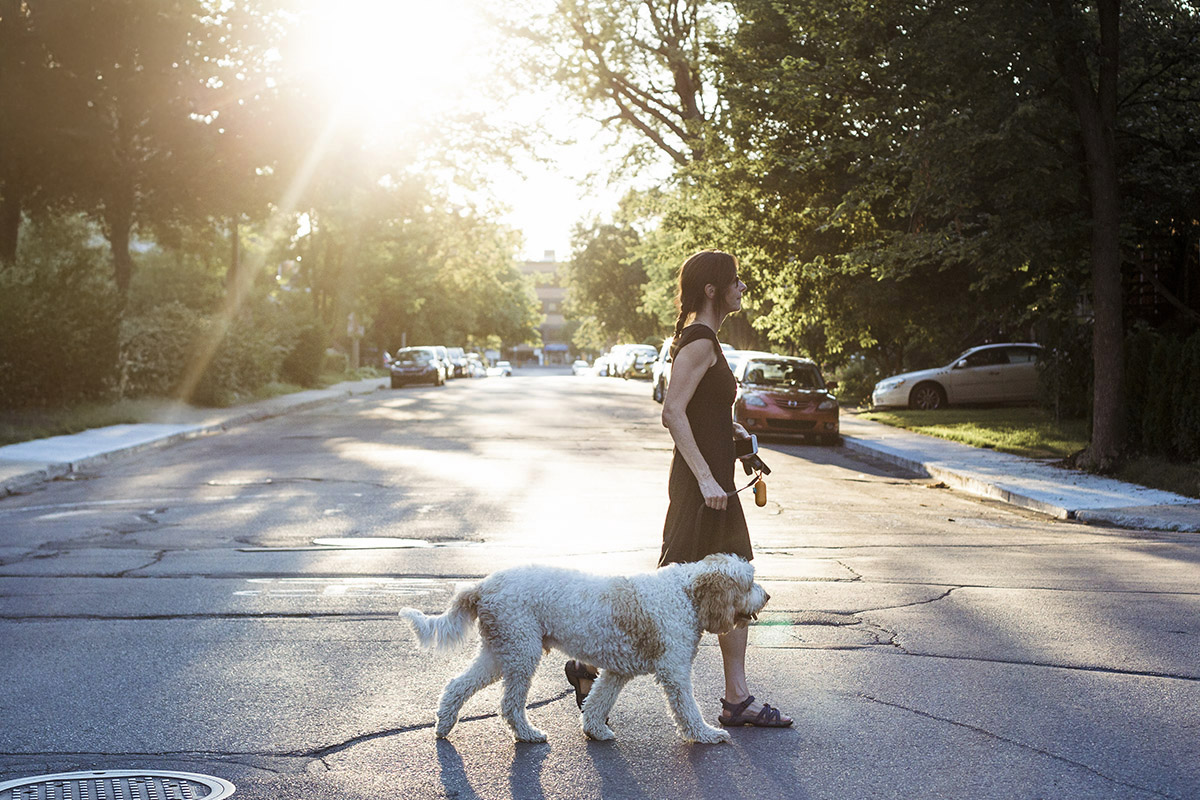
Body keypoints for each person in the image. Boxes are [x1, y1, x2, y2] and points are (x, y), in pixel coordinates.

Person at [567, 249, 791, 728]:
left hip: (714, 482)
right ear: (712, 289)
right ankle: (591, 663)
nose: (742, 287)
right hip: (701, 488)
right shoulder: (699, 341)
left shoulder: (705, 340)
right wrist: (708, 477)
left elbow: (700, 411)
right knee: (679, 586)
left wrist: (736, 437)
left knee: (730, 578)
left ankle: (735, 697)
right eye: (736, 280)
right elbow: (672, 412)